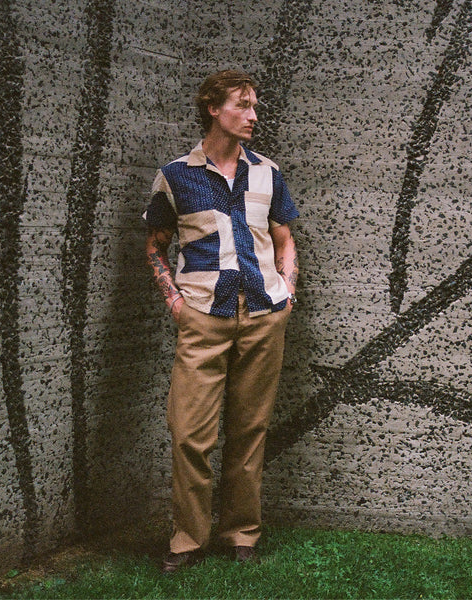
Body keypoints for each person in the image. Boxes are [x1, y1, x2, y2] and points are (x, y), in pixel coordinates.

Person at [143, 69, 299, 573]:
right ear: (213, 108)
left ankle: (241, 532)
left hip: (262, 314)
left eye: (254, 106)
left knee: (250, 429)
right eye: (243, 105)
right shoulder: (174, 176)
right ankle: (188, 538)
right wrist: (174, 301)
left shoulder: (268, 173)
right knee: (189, 432)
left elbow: (284, 239)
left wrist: (288, 290)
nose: (253, 116)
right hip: (203, 318)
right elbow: (155, 245)